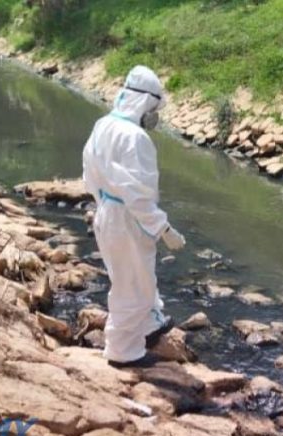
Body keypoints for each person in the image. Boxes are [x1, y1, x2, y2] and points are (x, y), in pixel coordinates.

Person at [82, 65, 186, 365]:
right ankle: (122, 352)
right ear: (143, 103)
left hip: (106, 212)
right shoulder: (136, 139)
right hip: (128, 220)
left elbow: (89, 173)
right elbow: (138, 197)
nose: (155, 115)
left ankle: (150, 326)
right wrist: (164, 229)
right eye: (154, 108)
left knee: (135, 277)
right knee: (131, 287)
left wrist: (103, 202)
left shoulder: (103, 124)